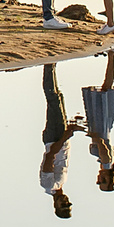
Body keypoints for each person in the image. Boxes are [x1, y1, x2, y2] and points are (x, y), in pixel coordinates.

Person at [39, 61, 79, 217]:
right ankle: (51, 67)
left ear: (56, 205)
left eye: (63, 205)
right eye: (68, 204)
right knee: (59, 98)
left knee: (53, 99)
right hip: (60, 139)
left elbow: (50, 156)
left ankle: (48, 66)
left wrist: (64, 137)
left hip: (55, 139)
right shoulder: (60, 184)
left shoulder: (49, 184)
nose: (66, 201)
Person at [81, 48, 114, 192]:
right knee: (106, 89)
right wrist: (95, 137)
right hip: (101, 127)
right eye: (103, 181)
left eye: (99, 182)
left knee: (105, 88)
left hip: (99, 126)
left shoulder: (105, 162)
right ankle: (111, 56)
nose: (99, 179)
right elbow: (103, 145)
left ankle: (111, 57)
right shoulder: (106, 162)